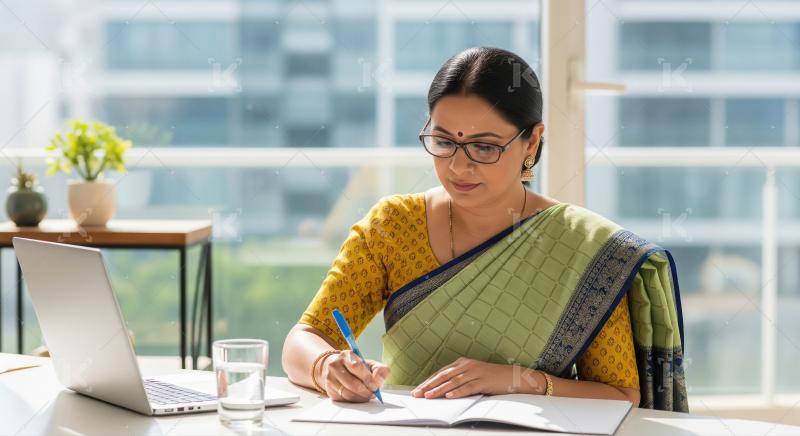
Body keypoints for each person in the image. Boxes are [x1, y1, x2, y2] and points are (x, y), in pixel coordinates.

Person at [282, 47, 688, 412]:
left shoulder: (586, 247)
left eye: (485, 147)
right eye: (443, 142)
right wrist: (327, 366)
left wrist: (515, 380)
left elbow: (621, 396)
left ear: (532, 142)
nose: (459, 167)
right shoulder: (393, 226)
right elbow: (305, 337)